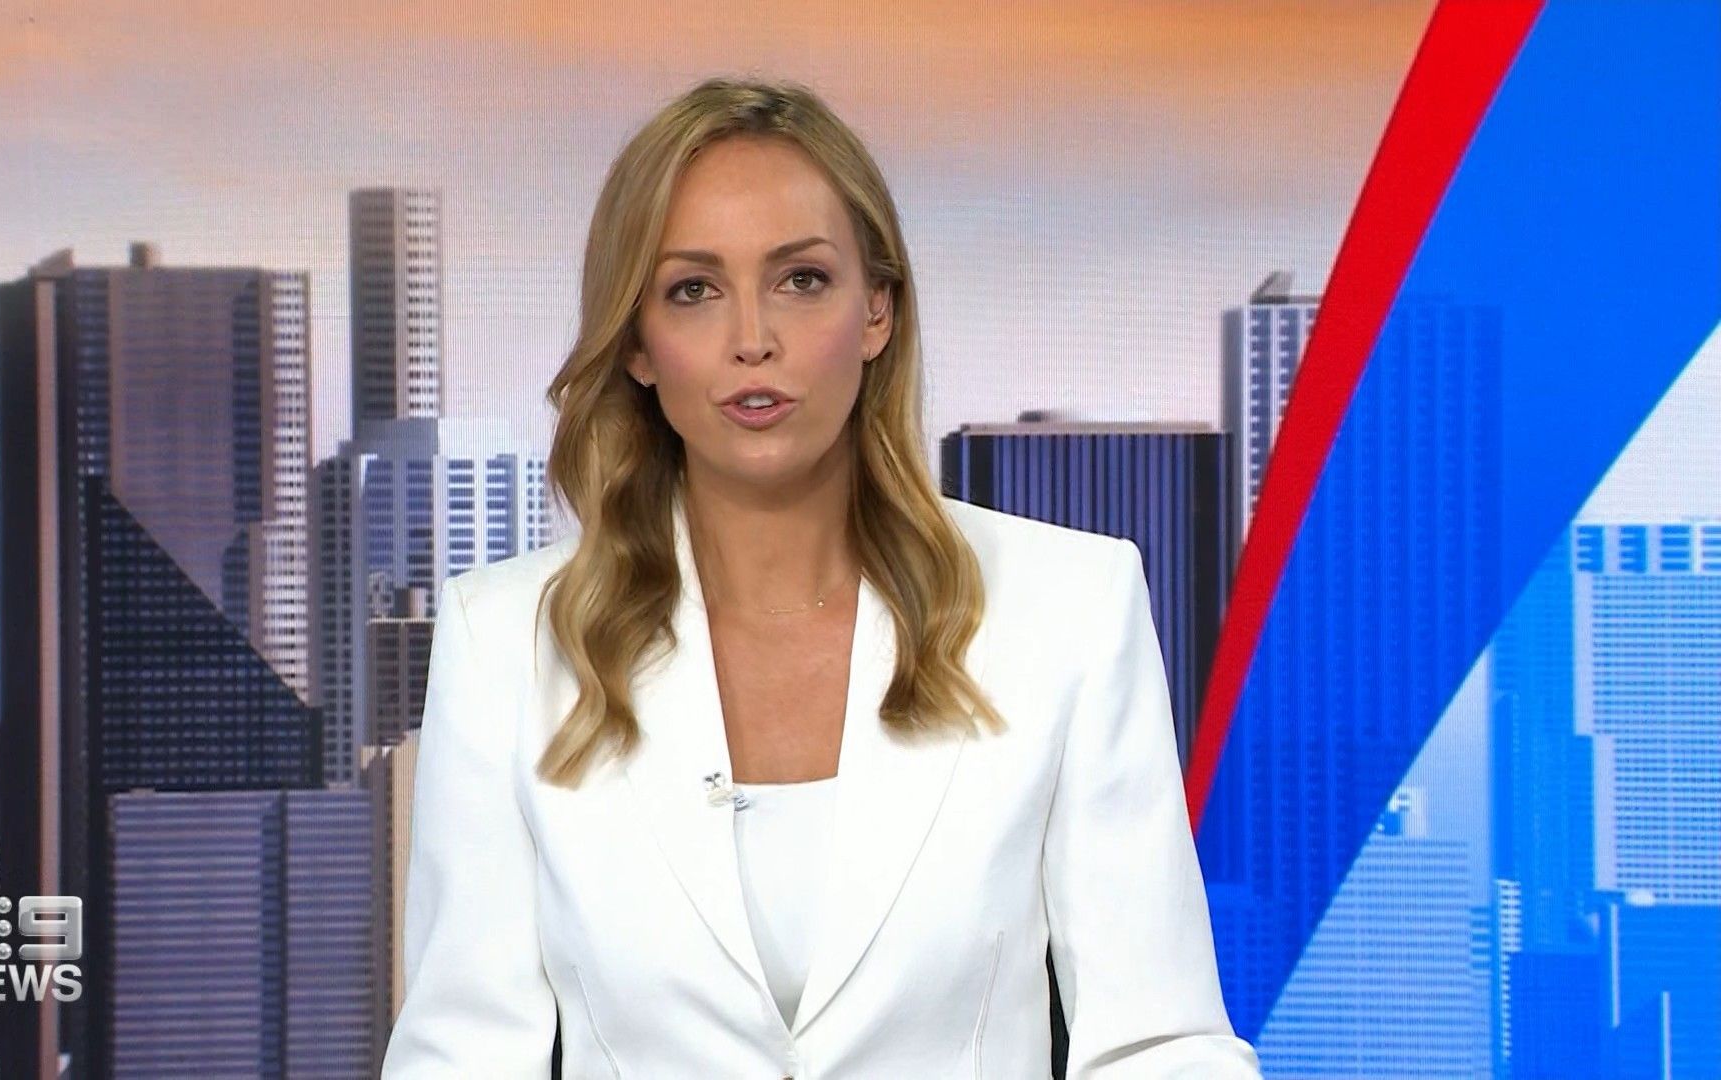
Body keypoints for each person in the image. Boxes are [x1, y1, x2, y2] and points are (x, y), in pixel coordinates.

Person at [380, 75, 1261, 1079]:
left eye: (801, 280)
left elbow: (1159, 1044)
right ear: (637, 344)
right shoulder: (505, 643)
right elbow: (461, 1056)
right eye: (693, 290)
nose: (752, 338)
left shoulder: (1069, 608)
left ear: (876, 310)